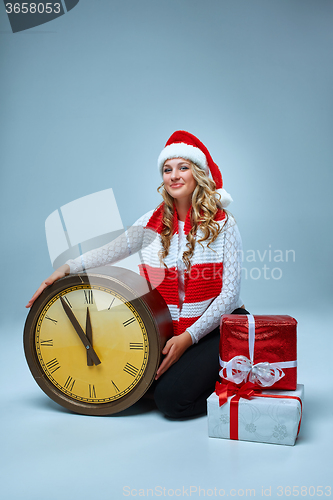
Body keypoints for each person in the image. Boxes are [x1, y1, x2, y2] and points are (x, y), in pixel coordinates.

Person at [27, 130, 249, 419]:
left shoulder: (224, 225)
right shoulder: (152, 221)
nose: (174, 176)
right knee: (143, 390)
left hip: (218, 325)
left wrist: (188, 339)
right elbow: (110, 250)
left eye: (183, 168)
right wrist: (66, 268)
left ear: (199, 174)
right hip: (172, 327)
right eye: (167, 170)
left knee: (170, 403)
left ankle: (236, 382)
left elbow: (229, 296)